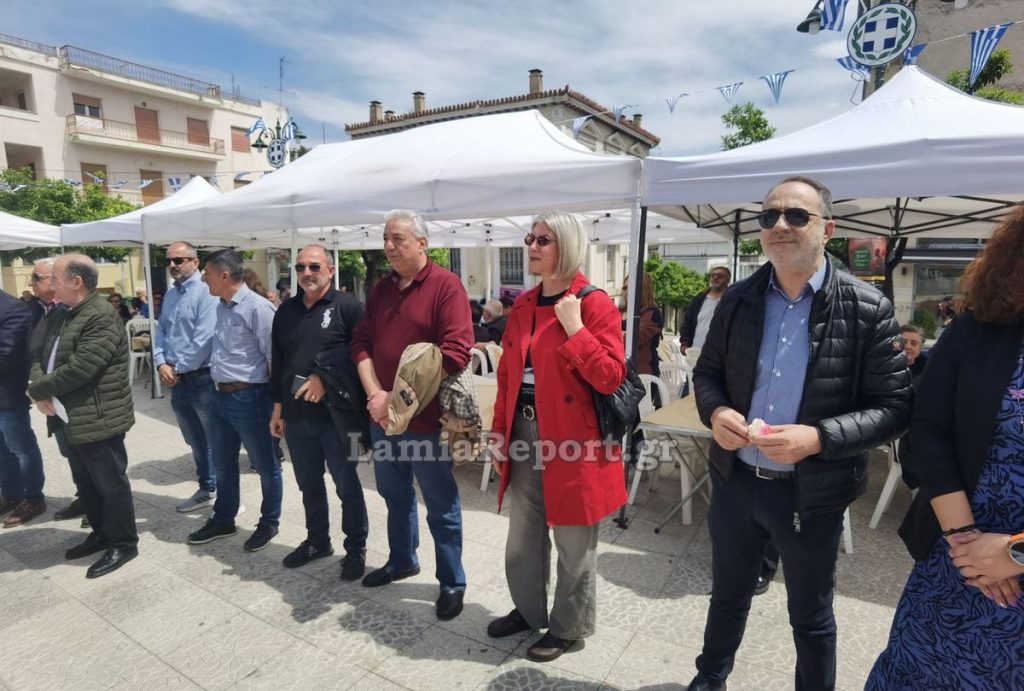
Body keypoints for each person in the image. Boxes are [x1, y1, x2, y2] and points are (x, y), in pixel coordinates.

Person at [686, 176, 912, 691]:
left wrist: (818, 438)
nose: (780, 226)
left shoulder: (867, 307)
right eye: (770, 216)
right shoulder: (738, 299)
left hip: (810, 493)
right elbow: (707, 375)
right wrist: (716, 412)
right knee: (727, 596)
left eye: (796, 215)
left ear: (827, 229)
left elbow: (896, 408)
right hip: (737, 481)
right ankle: (709, 678)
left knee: (810, 617)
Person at [866, 208, 1024, 690]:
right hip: (956, 563)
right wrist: (964, 540)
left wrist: (1015, 553)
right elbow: (929, 430)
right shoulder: (981, 328)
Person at [486, 211, 627, 662]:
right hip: (524, 429)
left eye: (543, 240)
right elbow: (507, 376)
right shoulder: (523, 305)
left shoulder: (593, 303)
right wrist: (498, 432)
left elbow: (610, 377)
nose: (532, 246)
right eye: (531, 238)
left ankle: (568, 626)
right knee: (523, 535)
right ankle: (528, 611)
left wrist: (576, 329)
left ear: (567, 246)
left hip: (574, 439)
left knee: (573, 541)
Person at [351, 209, 473, 621]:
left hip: (425, 423)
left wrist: (395, 400)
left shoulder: (446, 286)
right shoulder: (382, 289)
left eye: (398, 239)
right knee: (395, 495)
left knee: (440, 505)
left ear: (422, 243)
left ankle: (452, 582)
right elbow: (361, 342)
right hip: (382, 419)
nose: (388, 246)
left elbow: (455, 353)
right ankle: (403, 559)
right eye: (385, 238)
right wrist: (376, 395)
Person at [28, 254, 138, 579]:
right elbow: (39, 354)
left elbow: (81, 368)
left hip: (98, 417)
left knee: (110, 484)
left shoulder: (101, 315)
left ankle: (123, 543)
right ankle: (101, 533)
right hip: (69, 415)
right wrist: (38, 388)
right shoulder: (62, 313)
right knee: (85, 482)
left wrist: (37, 390)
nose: (51, 285)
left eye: (56, 278)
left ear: (77, 282)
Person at [270, 244, 369, 580]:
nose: (306, 273)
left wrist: (324, 378)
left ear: (330, 269)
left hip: (337, 419)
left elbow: (362, 356)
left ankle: (355, 548)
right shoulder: (286, 310)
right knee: (309, 485)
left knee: (347, 487)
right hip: (297, 418)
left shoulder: (348, 308)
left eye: (314, 266)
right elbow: (279, 362)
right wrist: (278, 408)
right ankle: (317, 541)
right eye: (300, 267)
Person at [186, 250, 283, 552]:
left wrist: (277, 407)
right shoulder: (222, 307)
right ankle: (224, 518)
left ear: (224, 275)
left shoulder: (259, 308)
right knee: (223, 462)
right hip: (218, 395)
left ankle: (269, 522)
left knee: (265, 464)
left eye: (207, 273)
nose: (203, 279)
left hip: (250, 397)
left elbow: (274, 360)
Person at [152, 242, 220, 513]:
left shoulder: (206, 291)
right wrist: (160, 363)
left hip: (201, 377)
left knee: (213, 439)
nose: (173, 265)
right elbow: (161, 332)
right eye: (169, 260)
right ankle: (207, 487)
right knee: (194, 438)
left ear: (195, 261)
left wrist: (176, 368)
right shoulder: (171, 295)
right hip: (177, 377)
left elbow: (204, 339)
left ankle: (220, 491)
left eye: (179, 260)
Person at [27, 259, 83, 523]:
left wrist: (43, 388)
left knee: (88, 454)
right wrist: (39, 390)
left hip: (74, 396)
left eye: (35, 277)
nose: (31, 283)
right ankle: (85, 496)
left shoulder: (75, 310)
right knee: (69, 451)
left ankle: (96, 503)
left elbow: (77, 361)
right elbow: (36, 355)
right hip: (50, 396)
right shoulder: (33, 310)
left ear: (54, 278)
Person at [0, 287, 47, 527]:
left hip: (8, 396)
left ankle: (33, 498)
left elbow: (6, 355)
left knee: (21, 449)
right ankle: (11, 494)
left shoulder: (13, 310)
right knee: (2, 451)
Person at [622, 271, 662, 377]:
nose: (627, 291)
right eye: (625, 288)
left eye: (631, 287)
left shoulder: (652, 313)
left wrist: (612, 334)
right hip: (621, 374)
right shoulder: (619, 311)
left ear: (644, 288)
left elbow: (635, 338)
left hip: (644, 377)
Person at [679, 266, 730, 351]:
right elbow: (687, 323)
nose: (715, 278)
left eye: (720, 276)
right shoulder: (698, 300)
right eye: (713, 275)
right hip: (695, 351)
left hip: (719, 354)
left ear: (728, 280)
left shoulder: (731, 302)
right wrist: (684, 343)